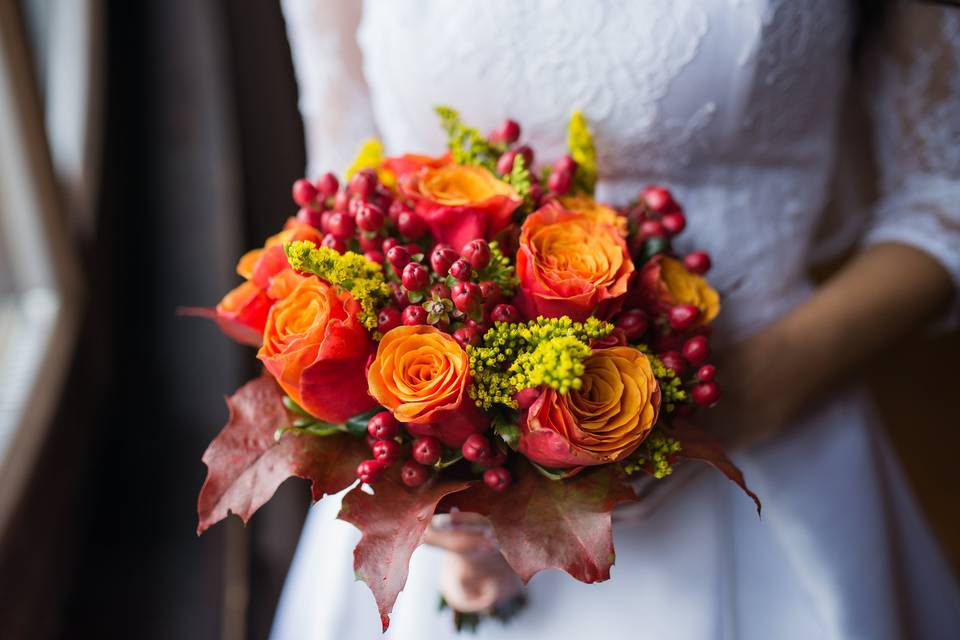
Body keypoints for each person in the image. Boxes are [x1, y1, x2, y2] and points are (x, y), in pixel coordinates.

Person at [271, 1, 960, 638]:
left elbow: (943, 200)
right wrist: (426, 443)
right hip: (433, 488)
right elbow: (340, 186)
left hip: (762, 453)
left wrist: (763, 385)